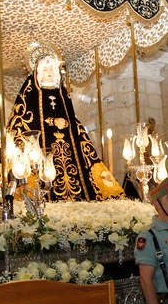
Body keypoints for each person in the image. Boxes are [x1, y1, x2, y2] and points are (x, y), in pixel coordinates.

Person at [7, 43, 123, 201]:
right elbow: (24, 121)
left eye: (51, 70)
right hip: (44, 151)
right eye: (45, 70)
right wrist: (53, 122)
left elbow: (70, 116)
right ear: (38, 72)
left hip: (69, 146)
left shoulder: (62, 93)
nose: (49, 73)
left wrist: (67, 124)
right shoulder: (30, 92)